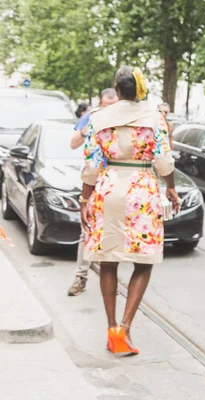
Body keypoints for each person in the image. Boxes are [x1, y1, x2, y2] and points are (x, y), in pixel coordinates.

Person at [80, 66, 178, 354]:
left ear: (117, 89)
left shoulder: (98, 118)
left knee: (107, 261)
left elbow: (91, 166)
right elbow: (163, 162)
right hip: (142, 192)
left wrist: (85, 201)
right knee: (143, 262)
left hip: (107, 189)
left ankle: (112, 329)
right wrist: (170, 187)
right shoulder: (155, 118)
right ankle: (125, 327)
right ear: (139, 90)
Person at [67, 88, 119, 296]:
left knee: (115, 230)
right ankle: (81, 277)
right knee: (87, 230)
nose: (109, 110)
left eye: (113, 106)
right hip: (94, 180)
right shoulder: (92, 117)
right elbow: (73, 143)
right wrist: (88, 127)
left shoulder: (123, 121)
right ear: (100, 103)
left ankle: (111, 280)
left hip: (116, 182)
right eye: (106, 106)